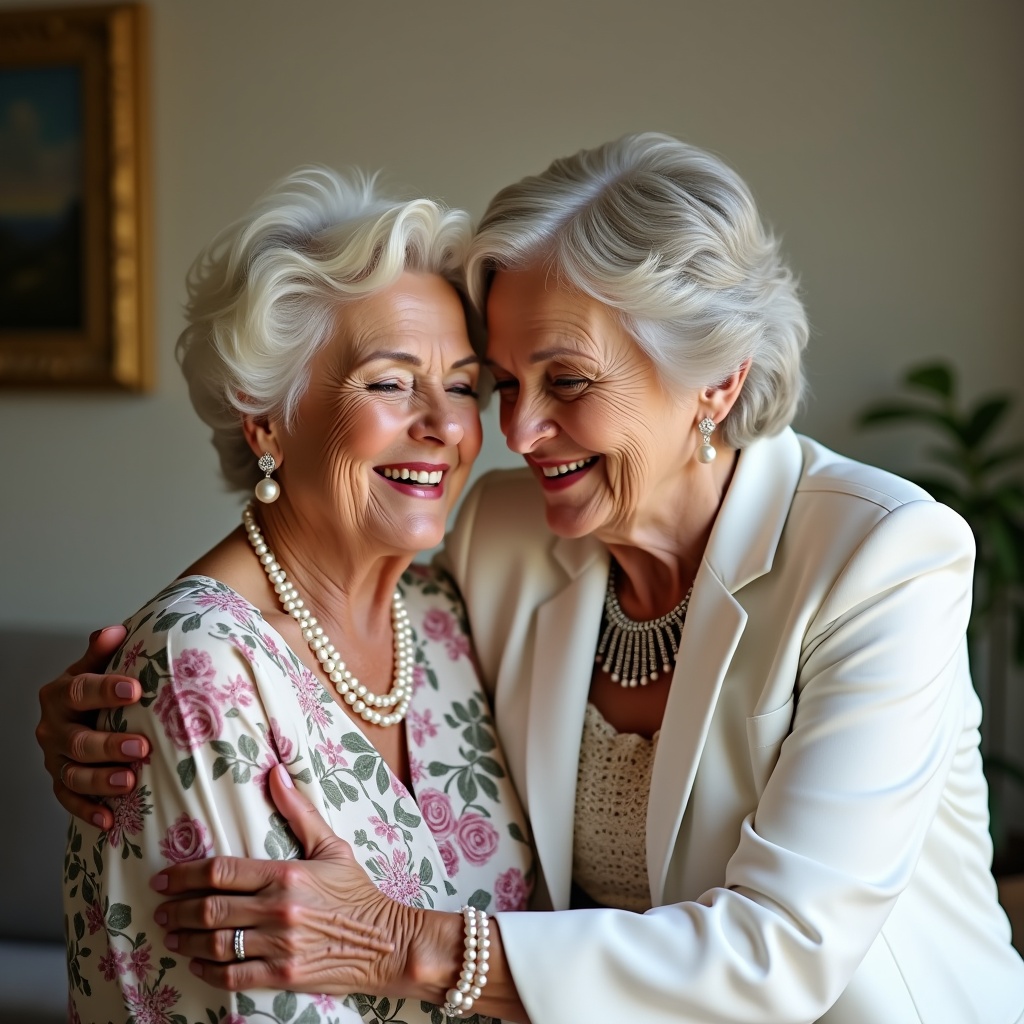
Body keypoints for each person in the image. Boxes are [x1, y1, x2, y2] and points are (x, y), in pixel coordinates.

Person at [39, 134, 1024, 1023]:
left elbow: (781, 949)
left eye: (566, 381)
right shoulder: (502, 535)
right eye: (503, 382)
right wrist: (128, 707)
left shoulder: (882, 554)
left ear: (715, 379)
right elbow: (282, 609)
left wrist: (401, 943)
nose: (511, 433)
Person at [52, 167, 534, 1024]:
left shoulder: (445, 613)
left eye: (462, 384)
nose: (445, 425)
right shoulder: (195, 664)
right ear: (266, 416)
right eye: (389, 382)